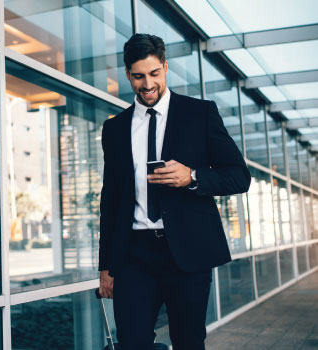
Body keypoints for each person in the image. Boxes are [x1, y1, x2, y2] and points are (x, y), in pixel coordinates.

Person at [97, 34, 250, 350]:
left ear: (165, 68)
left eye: (154, 74)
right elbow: (109, 201)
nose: (147, 84)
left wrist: (192, 177)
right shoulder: (114, 129)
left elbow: (239, 177)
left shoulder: (200, 113)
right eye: (138, 76)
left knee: (187, 341)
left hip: (187, 251)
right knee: (132, 342)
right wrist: (106, 266)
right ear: (128, 74)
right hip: (133, 255)